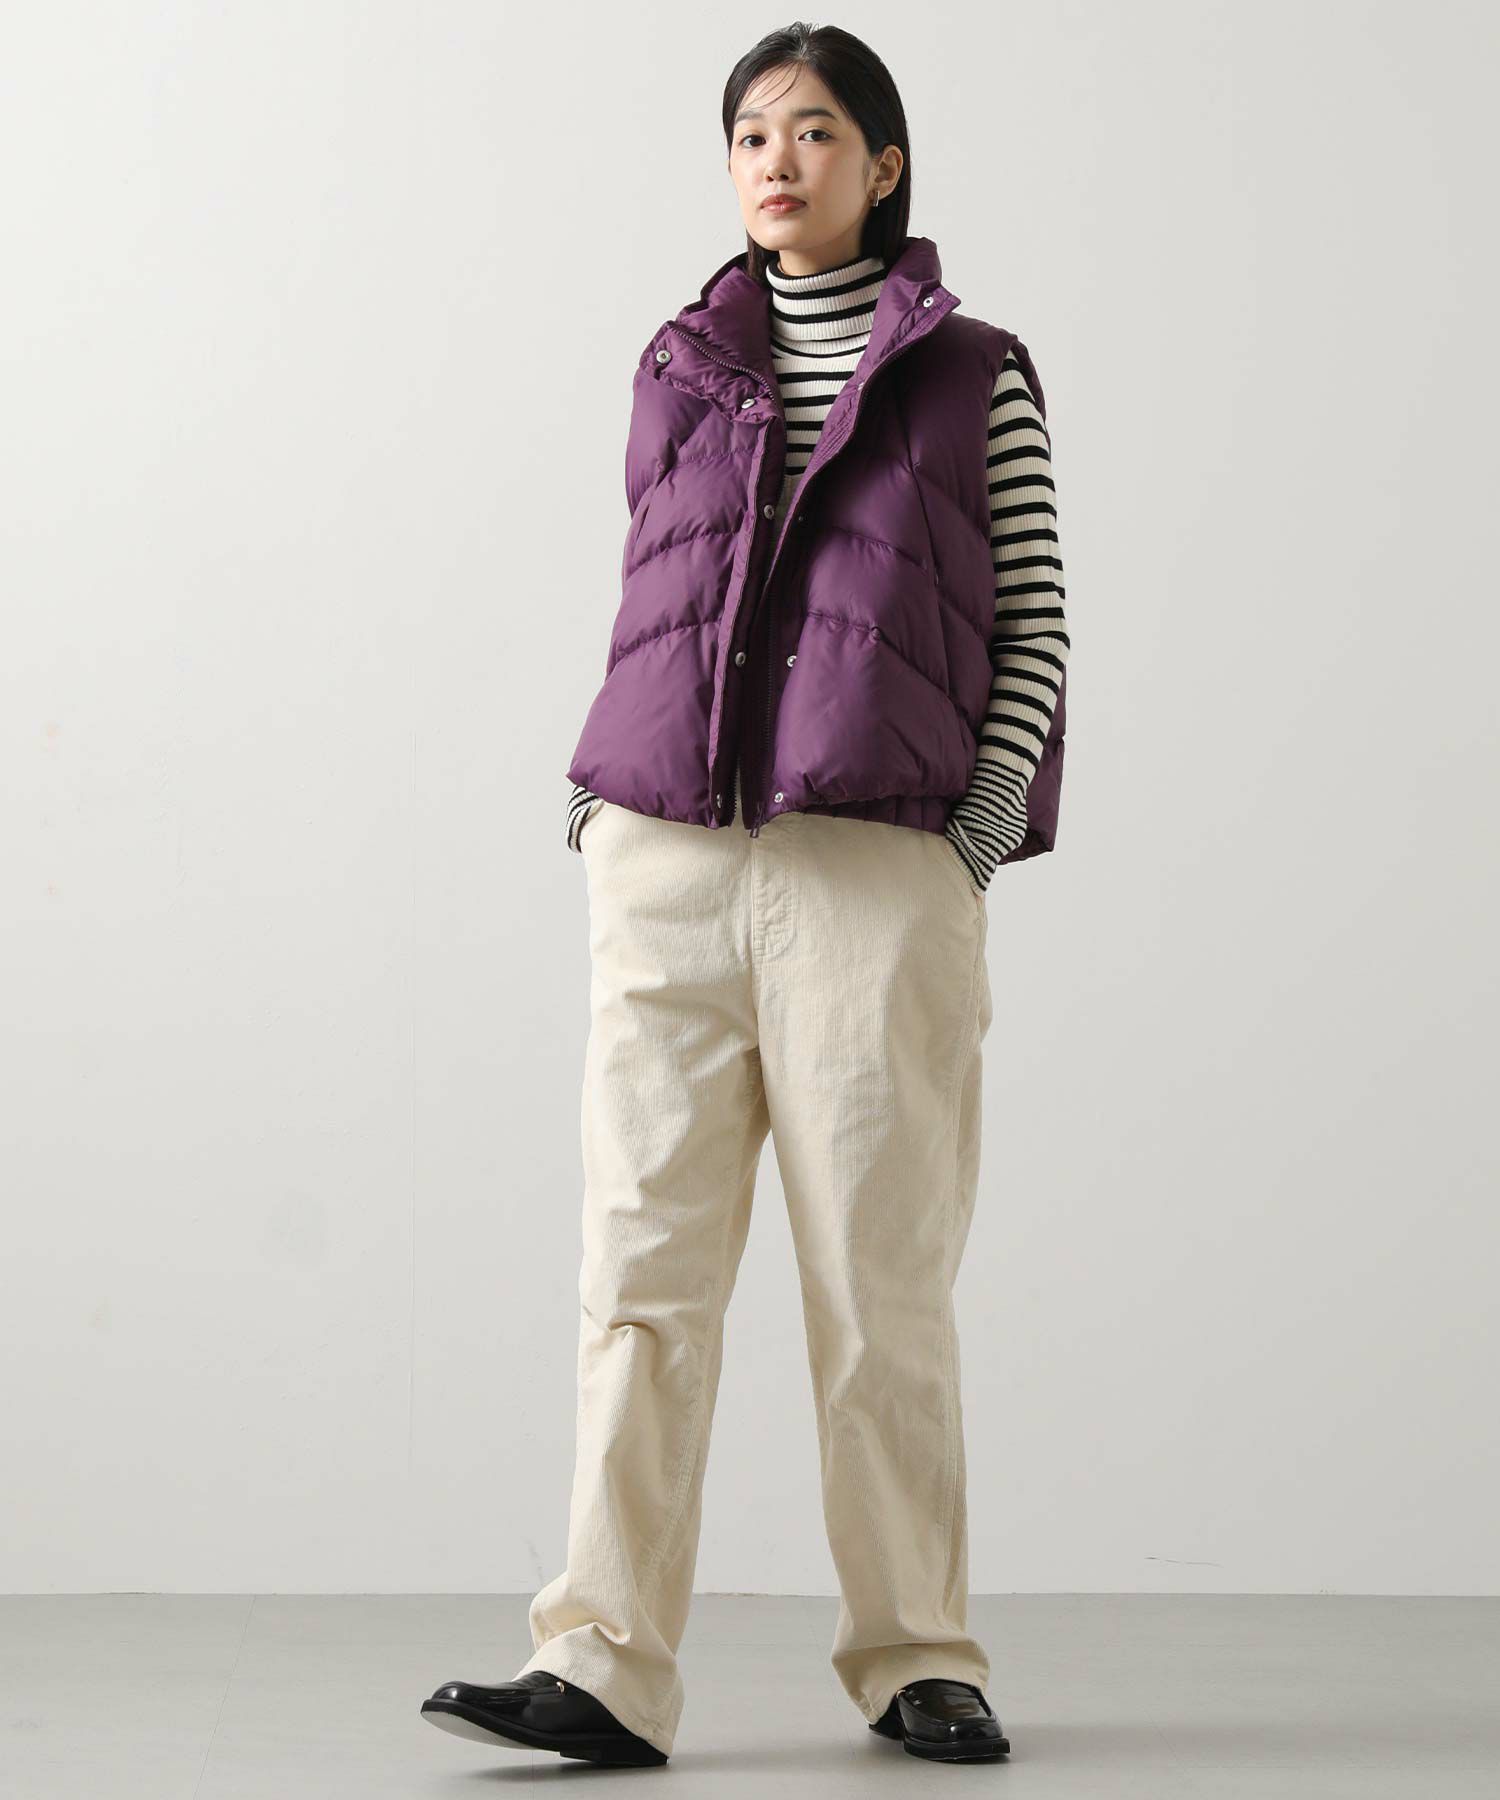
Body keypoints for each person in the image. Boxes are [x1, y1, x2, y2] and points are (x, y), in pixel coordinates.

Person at [422, 20, 1068, 1770]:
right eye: (753, 135)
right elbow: (660, 586)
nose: (780, 159)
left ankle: (918, 1654)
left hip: (874, 864)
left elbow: (1034, 621)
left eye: (818, 130)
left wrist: (970, 835)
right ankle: (601, 1666)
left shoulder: (975, 373)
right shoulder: (680, 363)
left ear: (886, 164)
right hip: (668, 858)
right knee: (640, 1268)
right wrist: (600, 793)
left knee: (881, 1283)